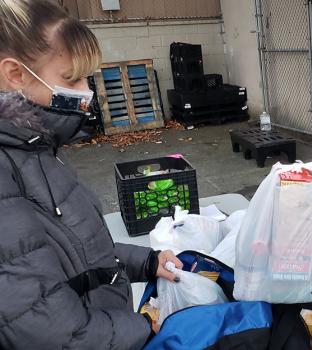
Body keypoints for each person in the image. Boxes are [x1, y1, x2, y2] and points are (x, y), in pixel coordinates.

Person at [0, 1, 182, 348]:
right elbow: (47, 329)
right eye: (72, 79)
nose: (86, 93)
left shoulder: (38, 148)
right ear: (16, 74)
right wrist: (141, 328)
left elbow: (76, 252)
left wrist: (146, 261)